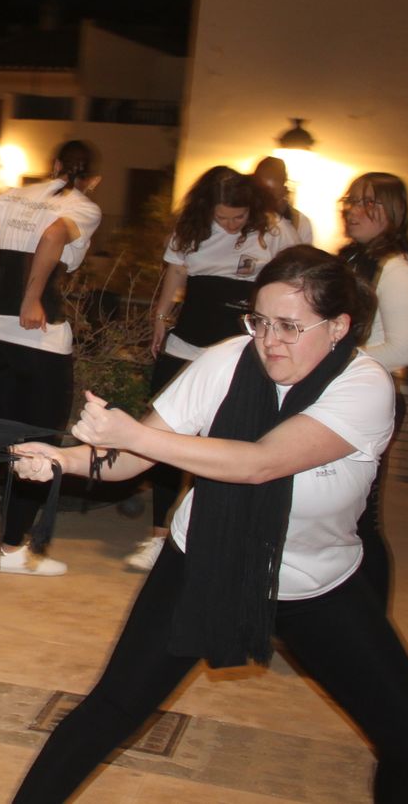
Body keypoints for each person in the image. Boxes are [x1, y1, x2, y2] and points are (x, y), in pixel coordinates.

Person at [9, 246, 408, 803]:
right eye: (259, 321)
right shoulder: (226, 360)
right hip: (204, 561)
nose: (269, 341)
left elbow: (261, 464)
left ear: (339, 326)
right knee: (113, 707)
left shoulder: (364, 386)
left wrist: (137, 436)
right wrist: (61, 459)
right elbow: (128, 462)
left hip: (317, 582)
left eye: (290, 325)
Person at [0, 140, 103, 575]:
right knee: (39, 440)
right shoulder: (83, 206)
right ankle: (13, 548)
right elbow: (55, 234)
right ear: (93, 179)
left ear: (54, 165)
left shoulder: (17, 195)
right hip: (39, 339)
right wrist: (32, 298)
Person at [132, 166, 292, 570]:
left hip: (242, 351)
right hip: (187, 344)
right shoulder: (190, 229)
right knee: (166, 439)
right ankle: (158, 536)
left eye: (238, 217)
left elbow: (290, 283)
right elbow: (175, 275)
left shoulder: (271, 231)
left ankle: (225, 534)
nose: (231, 223)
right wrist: (160, 320)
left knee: (231, 442)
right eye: (223, 216)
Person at [339, 172, 408, 607]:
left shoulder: (395, 270)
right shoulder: (355, 260)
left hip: (376, 398)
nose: (353, 209)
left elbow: (405, 348)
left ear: (392, 213)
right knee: (339, 513)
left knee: (362, 518)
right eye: (352, 200)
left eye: (366, 203)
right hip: (350, 394)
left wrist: (340, 363)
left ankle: (370, 621)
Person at [254, 156, 315, 245]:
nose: (266, 197)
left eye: (272, 192)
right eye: (262, 191)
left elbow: (303, 257)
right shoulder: (240, 217)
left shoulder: (300, 222)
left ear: (283, 188)